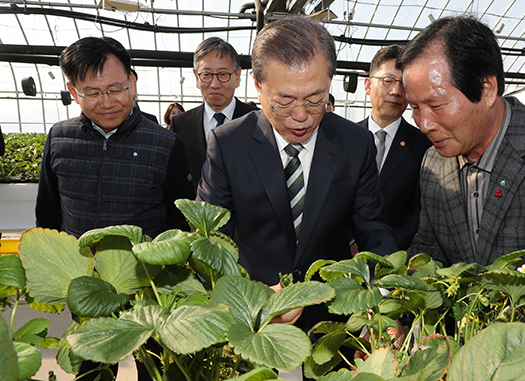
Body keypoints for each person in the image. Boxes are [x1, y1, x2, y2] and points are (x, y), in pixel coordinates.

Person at [197, 16, 397, 330]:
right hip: (250, 318)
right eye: (285, 101)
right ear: (258, 86)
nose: (301, 116)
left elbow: (373, 230)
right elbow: (209, 240)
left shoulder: (355, 144)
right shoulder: (227, 144)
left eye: (316, 99)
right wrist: (248, 296)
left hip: (331, 319)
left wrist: (383, 299)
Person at [399, 16, 525, 321]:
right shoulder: (433, 162)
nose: (424, 124)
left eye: (436, 105)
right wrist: (404, 312)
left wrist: (480, 340)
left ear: (487, 88)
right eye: (414, 107)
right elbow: (428, 252)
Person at [35, 36, 194, 240]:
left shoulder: (165, 144)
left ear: (132, 83)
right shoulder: (59, 138)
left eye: (116, 90)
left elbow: (181, 220)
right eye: (93, 93)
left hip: (146, 270)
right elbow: (47, 215)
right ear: (74, 92)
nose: (107, 103)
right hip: (76, 270)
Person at [358, 45, 431, 250]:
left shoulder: (424, 147)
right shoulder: (345, 140)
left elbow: (421, 211)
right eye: (388, 81)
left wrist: (385, 249)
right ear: (368, 85)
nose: (396, 91)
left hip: (395, 258)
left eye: (404, 85)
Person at [170, 37, 258, 191]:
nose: (215, 84)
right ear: (196, 77)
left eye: (223, 74)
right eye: (206, 74)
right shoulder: (180, 124)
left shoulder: (258, 121)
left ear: (237, 76)